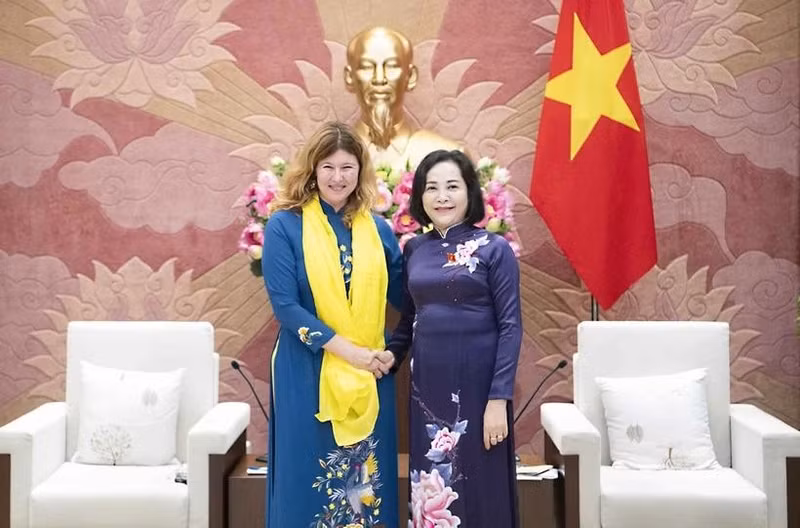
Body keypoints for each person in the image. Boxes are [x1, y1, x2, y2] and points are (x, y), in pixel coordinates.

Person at [262, 121, 403, 527]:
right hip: (306, 368)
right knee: (306, 476)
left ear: (360, 172)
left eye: (347, 167)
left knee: (365, 487)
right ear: (311, 169)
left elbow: (406, 297)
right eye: (328, 167)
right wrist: (350, 352)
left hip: (371, 371)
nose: (337, 177)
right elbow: (287, 308)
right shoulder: (284, 225)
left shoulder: (377, 229)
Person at [386, 149, 522, 526]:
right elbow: (410, 318)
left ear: (469, 193)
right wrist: (389, 356)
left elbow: (511, 325)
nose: (442, 196)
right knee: (433, 483)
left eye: (452, 186)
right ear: (420, 197)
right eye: (432, 188)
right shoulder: (414, 248)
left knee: (482, 485)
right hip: (428, 389)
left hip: (480, 391)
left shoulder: (495, 249)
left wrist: (499, 399)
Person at [345, 27, 461, 172]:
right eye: (367, 67)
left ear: (410, 77)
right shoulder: (322, 158)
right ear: (349, 77)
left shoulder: (447, 157)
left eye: (392, 66)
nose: (379, 79)